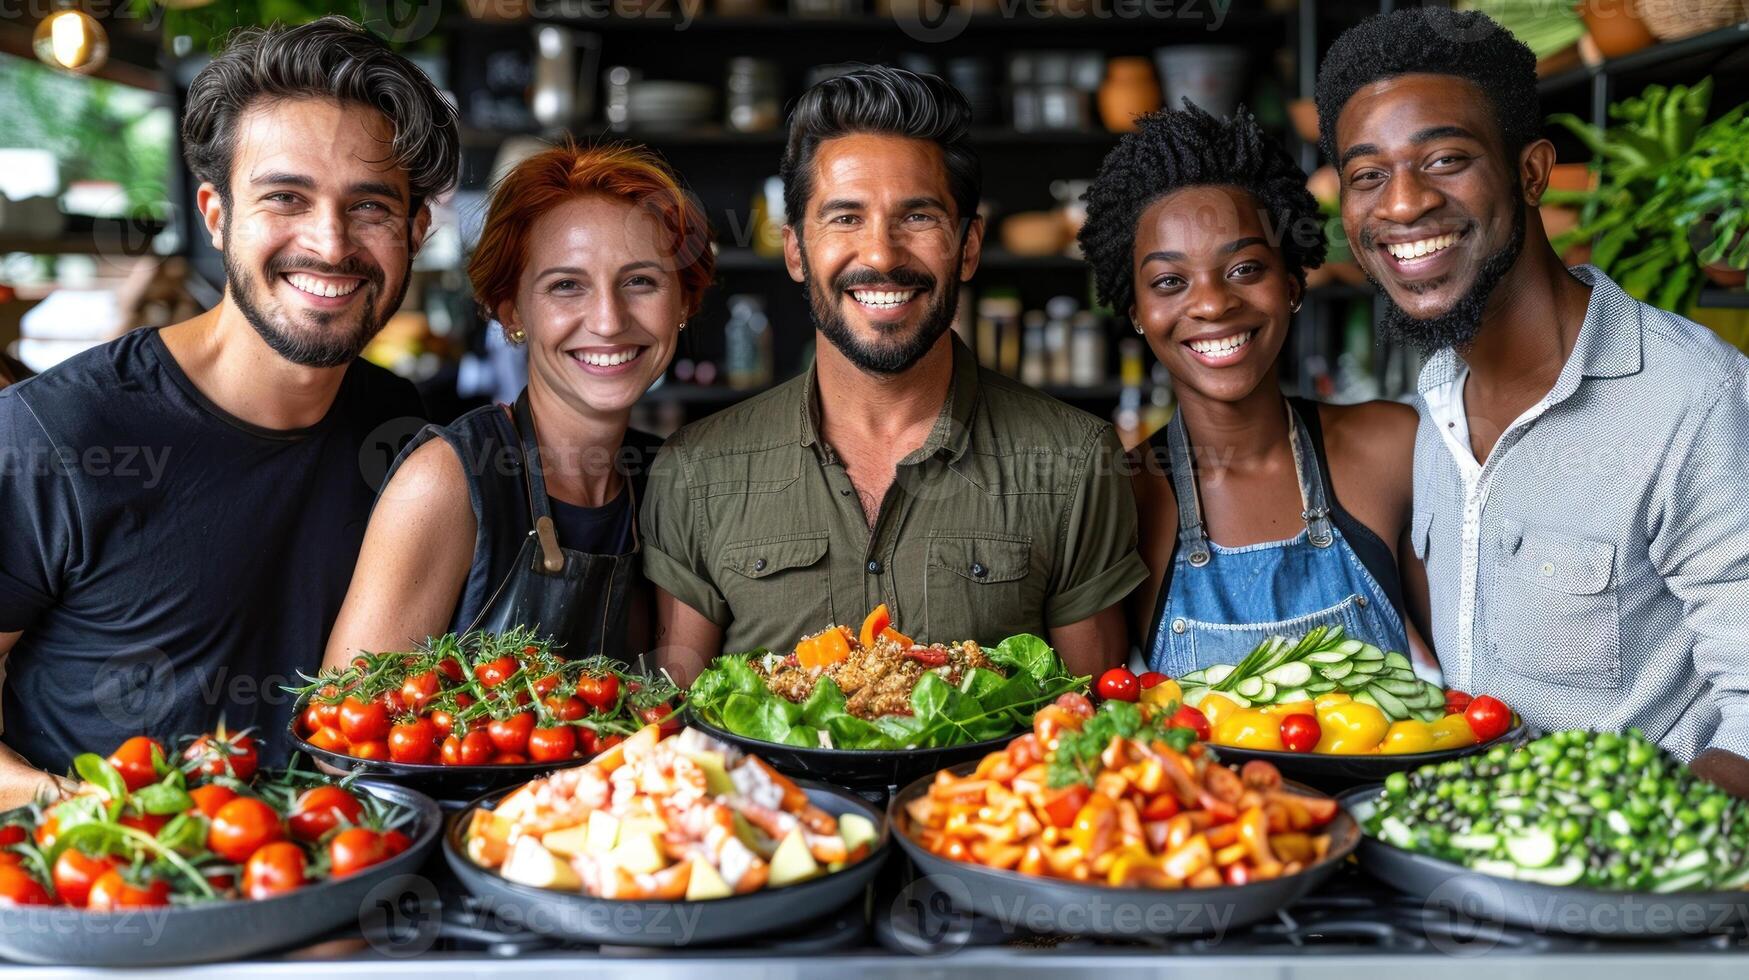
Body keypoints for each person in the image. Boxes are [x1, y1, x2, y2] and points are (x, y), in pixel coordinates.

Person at [0, 16, 456, 802]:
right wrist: (97, 816)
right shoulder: (61, 434)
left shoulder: (397, 425)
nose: (331, 242)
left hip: (332, 878)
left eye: (371, 208)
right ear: (216, 216)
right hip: (111, 893)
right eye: (285, 197)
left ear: (415, 229)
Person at [1317, 8, 1749, 792]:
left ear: (1531, 171)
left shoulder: (1693, 400)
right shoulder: (1436, 396)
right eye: (1366, 175)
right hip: (1458, 857)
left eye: (1444, 158)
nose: (1402, 204)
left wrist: (1637, 851)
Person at [641, 66, 1147, 684]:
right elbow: (676, 735)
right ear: (796, 250)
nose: (881, 255)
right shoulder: (696, 470)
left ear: (968, 247)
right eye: (845, 218)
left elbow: (1088, 732)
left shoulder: (1075, 462)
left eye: (918, 218)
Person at [324, 144, 714, 666]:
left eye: (641, 281)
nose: (607, 319)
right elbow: (344, 735)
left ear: (683, 302)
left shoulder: (669, 488)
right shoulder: (447, 481)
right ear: (511, 310)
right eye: (567, 285)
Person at [1078, 104, 1430, 677]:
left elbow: (1473, 689)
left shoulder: (1394, 448)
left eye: (1243, 269)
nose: (1213, 304)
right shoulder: (1123, 499)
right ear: (1137, 312)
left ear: (1292, 284)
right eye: (1170, 281)